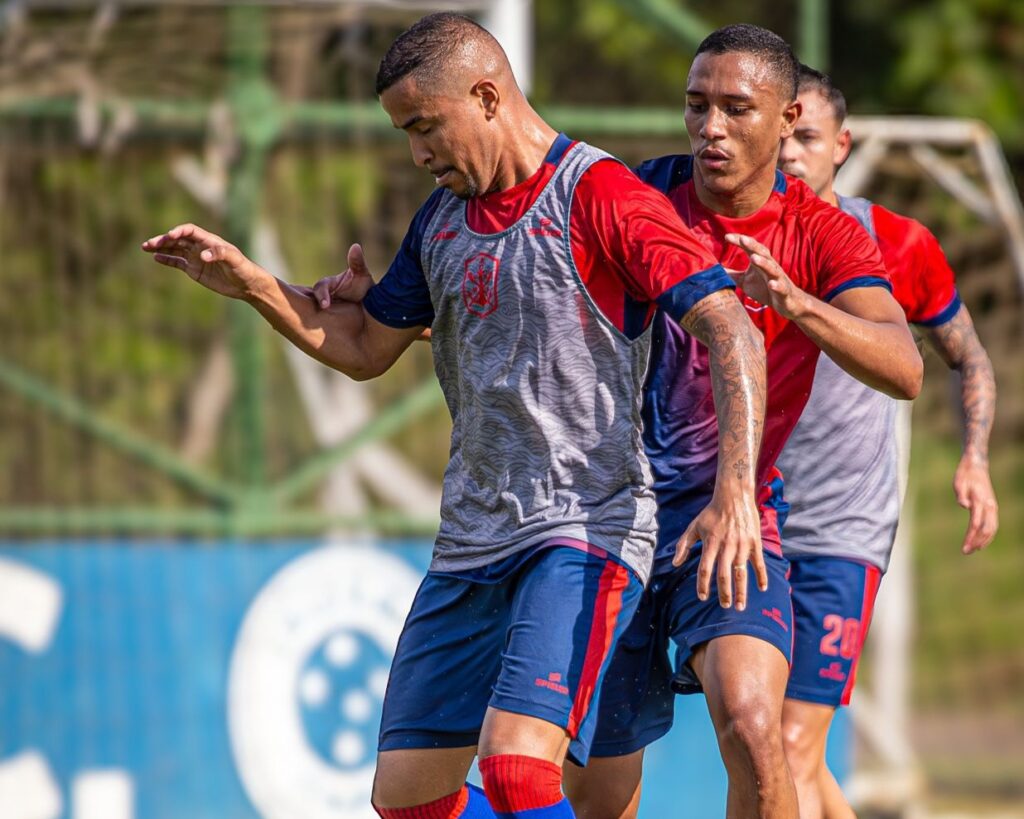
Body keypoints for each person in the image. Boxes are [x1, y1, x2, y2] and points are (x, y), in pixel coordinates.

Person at [142, 13, 768, 819]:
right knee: (406, 800)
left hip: (583, 529)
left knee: (516, 771)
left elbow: (732, 326)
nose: (418, 153)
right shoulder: (439, 223)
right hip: (470, 541)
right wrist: (259, 286)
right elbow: (367, 344)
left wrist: (736, 492)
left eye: (424, 127)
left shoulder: (600, 193)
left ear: (485, 95)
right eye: (406, 133)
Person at [562, 24, 924, 819]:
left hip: (733, 517)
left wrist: (796, 302)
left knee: (759, 728)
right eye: (697, 107)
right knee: (597, 794)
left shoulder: (823, 233)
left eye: (735, 108)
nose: (711, 128)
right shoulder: (636, 198)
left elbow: (905, 367)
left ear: (788, 117)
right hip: (605, 514)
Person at [773, 65, 998, 819]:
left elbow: (968, 354)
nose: (789, 154)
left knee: (791, 747)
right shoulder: (727, 239)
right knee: (768, 744)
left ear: (843, 144)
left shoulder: (896, 244)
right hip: (748, 519)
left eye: (806, 137)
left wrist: (974, 458)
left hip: (844, 529)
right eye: (779, 135)